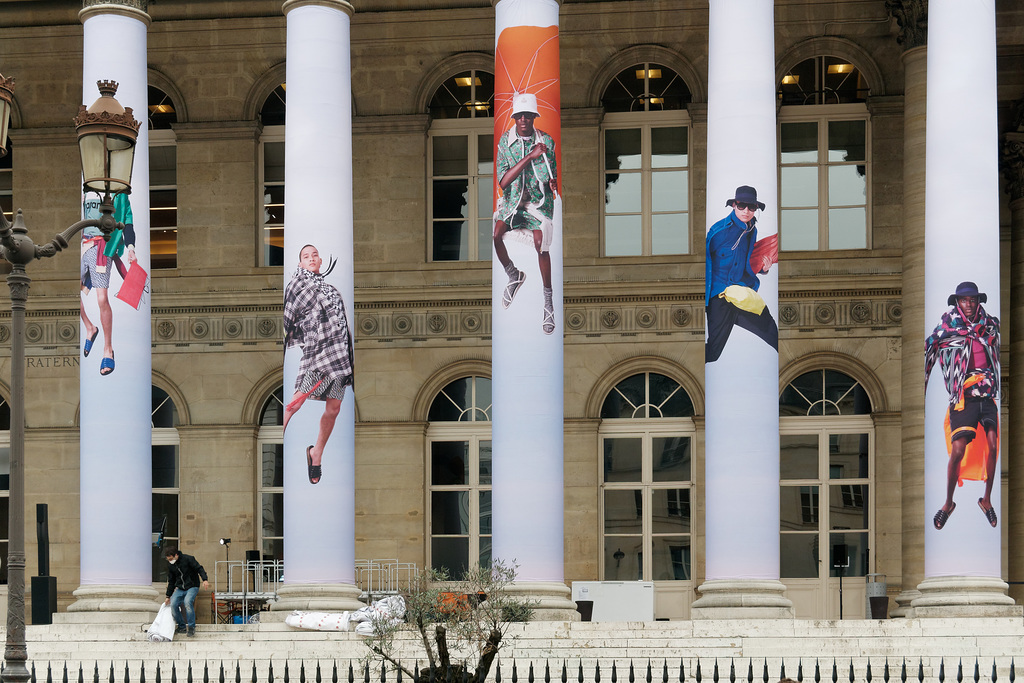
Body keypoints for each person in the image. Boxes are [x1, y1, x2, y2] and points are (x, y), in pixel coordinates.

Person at [926, 281, 1000, 530]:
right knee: (957, 451)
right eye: (964, 301)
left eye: (972, 300)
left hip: (987, 395)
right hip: (964, 397)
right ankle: (948, 504)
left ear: (978, 301)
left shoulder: (991, 325)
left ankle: (987, 500)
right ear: (957, 302)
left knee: (992, 445)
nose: (968, 305)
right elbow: (929, 349)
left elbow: (997, 348)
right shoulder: (948, 326)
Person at [283, 244, 354, 484]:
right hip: (318, 355)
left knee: (334, 409)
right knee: (294, 404)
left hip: (339, 355)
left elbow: (342, 323)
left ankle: (317, 454)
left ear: (320, 260)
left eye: (314, 255)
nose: (311, 258)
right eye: (306, 256)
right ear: (300, 263)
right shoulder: (296, 285)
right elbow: (288, 318)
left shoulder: (332, 290)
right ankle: (278, 440)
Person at [493, 92, 558, 335]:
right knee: (497, 235)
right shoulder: (504, 144)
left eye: (527, 116)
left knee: (542, 245)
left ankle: (548, 301)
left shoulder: (546, 141)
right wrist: (530, 156)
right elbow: (504, 182)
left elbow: (550, 173)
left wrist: (552, 183)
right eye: (518, 116)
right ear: (514, 118)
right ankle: (514, 275)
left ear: (533, 117)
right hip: (512, 203)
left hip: (537, 203)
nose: (523, 120)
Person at [705, 185, 778, 363]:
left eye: (751, 207)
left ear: (756, 209)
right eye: (742, 206)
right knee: (713, 353)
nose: (746, 211)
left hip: (741, 295)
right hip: (718, 298)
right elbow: (705, 264)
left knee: (773, 333)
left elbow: (746, 260)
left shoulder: (752, 230)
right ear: (734, 205)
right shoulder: (717, 232)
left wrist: (763, 268)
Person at [80, 192, 137, 376]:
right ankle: (90, 327)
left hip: (103, 247)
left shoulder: (119, 193)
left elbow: (127, 220)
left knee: (102, 298)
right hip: (83, 244)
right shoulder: (86, 186)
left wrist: (130, 248)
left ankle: (107, 349)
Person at [163, 546, 209, 637]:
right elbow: (171, 581)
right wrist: (168, 596)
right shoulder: (171, 566)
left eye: (171, 559)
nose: (170, 561)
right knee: (173, 604)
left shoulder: (188, 559)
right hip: (180, 588)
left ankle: (191, 627)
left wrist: (205, 580)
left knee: (187, 602)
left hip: (192, 586)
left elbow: (199, 568)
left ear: (176, 555)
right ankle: (182, 626)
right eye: (168, 560)